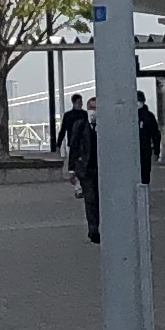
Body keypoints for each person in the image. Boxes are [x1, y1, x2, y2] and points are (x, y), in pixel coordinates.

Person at [60, 95, 98, 241]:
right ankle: (93, 229)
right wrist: (71, 169)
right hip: (85, 169)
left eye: (96, 108)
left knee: (99, 199)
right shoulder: (80, 125)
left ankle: (98, 223)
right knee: (90, 198)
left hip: (101, 169)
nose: (94, 111)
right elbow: (74, 147)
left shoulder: (107, 126)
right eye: (92, 108)